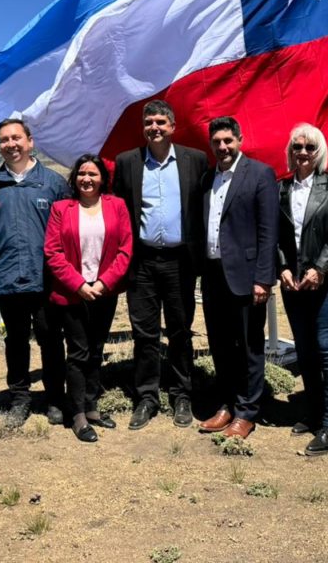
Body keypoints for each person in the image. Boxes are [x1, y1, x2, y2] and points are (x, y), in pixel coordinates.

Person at [112, 100, 208, 430]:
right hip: (142, 263)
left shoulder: (195, 160)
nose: (155, 127)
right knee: (145, 334)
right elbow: (119, 212)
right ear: (143, 127)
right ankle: (147, 398)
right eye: (149, 122)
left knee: (181, 332)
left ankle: (182, 395)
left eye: (161, 122)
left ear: (173, 126)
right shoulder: (127, 163)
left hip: (181, 262)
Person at [0, 119, 71, 428]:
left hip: (46, 280)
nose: (11, 144)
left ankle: (55, 398)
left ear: (30, 141)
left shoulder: (53, 184)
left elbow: (68, 231)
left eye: (16, 138)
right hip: (6, 281)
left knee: (51, 340)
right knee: (15, 342)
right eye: (4, 139)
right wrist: (0, 260)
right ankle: (19, 400)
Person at [197, 117, 279, 441]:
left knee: (248, 346)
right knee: (219, 345)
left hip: (246, 277)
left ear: (240, 140)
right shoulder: (207, 178)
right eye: (217, 141)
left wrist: (264, 278)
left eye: (228, 140)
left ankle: (247, 412)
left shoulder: (259, 174)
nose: (223, 147)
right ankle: (226, 405)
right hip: (213, 275)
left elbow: (268, 231)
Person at [44, 154, 132, 443]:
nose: (87, 179)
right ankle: (78, 413)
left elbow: (125, 249)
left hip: (105, 291)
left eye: (93, 174)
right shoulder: (61, 208)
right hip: (73, 293)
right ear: (74, 177)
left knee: (96, 349)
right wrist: (79, 284)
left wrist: (105, 282)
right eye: (81, 173)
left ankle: (92, 406)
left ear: (102, 179)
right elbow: (53, 252)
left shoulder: (116, 206)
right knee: (78, 352)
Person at [277, 123, 328, 455]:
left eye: (309, 147)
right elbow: (277, 235)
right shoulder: (281, 189)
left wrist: (320, 268)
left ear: (319, 151)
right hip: (293, 284)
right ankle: (314, 411)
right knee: (305, 350)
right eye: (297, 147)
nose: (302, 153)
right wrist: (282, 268)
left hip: (327, 281)